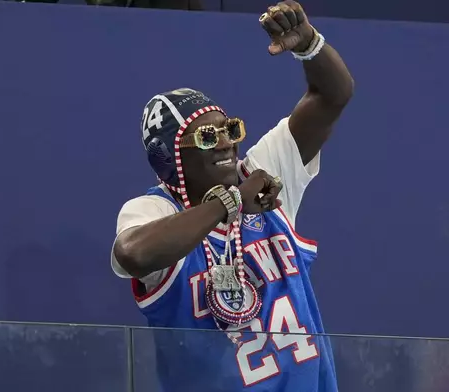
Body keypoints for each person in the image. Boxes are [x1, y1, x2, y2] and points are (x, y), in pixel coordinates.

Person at [111, 1, 354, 391]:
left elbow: (332, 97)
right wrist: (232, 202)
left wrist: (309, 44)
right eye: (208, 136)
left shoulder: (259, 174)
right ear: (171, 157)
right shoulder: (154, 208)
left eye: (230, 129)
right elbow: (133, 254)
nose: (226, 143)